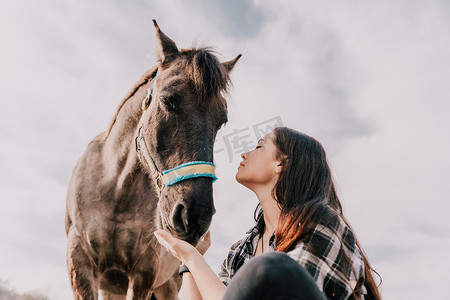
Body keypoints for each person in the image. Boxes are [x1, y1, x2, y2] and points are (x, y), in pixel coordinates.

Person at [155, 127, 381, 300]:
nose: (244, 154)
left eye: (259, 146)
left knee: (270, 268)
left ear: (281, 163)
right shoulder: (242, 250)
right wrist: (190, 259)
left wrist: (194, 259)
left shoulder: (320, 224)